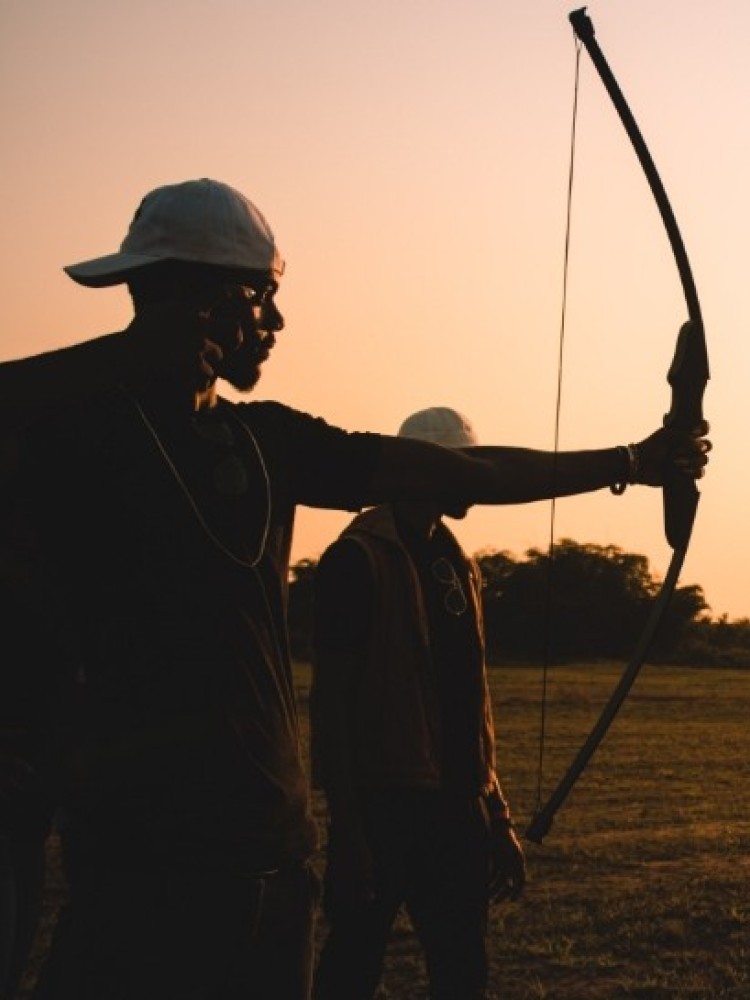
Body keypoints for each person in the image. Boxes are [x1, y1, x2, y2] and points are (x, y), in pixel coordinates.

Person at [0, 178, 710, 1000]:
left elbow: (462, 470)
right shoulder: (72, 436)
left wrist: (631, 463)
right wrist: (124, 353)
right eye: (263, 299)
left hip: (274, 859)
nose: (277, 323)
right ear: (206, 299)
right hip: (144, 867)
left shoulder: (267, 441)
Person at [310, 406, 526, 1000]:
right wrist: (349, 835)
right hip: (385, 807)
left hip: (459, 807)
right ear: (424, 468)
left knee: (462, 970)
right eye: (463, 465)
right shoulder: (355, 561)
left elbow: (467, 701)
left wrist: (496, 814)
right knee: (352, 963)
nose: (475, 481)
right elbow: (331, 704)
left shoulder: (461, 564)